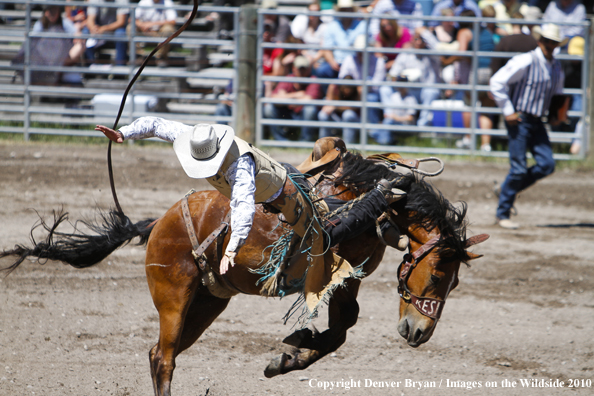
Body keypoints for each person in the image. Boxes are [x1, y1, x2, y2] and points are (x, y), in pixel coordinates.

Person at [95, 118, 407, 312]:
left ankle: (378, 199)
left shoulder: (238, 167)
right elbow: (156, 124)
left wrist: (232, 249)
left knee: (322, 238)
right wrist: (124, 133)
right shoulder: (192, 136)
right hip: (266, 188)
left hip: (283, 194)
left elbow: (243, 209)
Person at [490, 24, 566, 229]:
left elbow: (558, 94)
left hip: (537, 120)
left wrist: (556, 114)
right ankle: (502, 213)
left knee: (546, 164)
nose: (550, 45)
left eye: (554, 42)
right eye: (547, 41)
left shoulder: (556, 66)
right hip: (521, 119)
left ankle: (506, 190)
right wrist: (508, 110)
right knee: (518, 169)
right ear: (540, 40)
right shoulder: (525, 60)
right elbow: (497, 82)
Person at [381, 28, 442, 127]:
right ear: (412, 39)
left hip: (423, 90)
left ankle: (422, 126)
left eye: (422, 40)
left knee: (431, 92)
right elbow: (392, 75)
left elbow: (438, 48)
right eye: (416, 39)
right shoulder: (405, 54)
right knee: (385, 89)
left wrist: (424, 32)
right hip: (406, 90)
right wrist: (402, 77)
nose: (418, 42)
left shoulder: (432, 55)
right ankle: (389, 119)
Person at [13, 5, 85, 85]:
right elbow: (33, 43)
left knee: (80, 45)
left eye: (54, 11)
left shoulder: (65, 23)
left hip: (61, 57)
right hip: (45, 58)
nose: (52, 14)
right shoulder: (40, 24)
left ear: (58, 12)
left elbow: (77, 34)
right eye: (50, 11)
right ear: (45, 13)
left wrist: (78, 36)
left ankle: (55, 72)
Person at [336, 35, 386, 142]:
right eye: (359, 52)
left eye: (363, 52)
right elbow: (342, 80)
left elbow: (377, 85)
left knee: (371, 98)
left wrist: (359, 87)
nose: (361, 55)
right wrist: (357, 88)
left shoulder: (379, 61)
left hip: (370, 95)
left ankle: (373, 132)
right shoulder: (350, 60)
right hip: (352, 95)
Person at [263, 56, 322, 141]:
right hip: (287, 113)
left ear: (308, 69)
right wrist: (296, 95)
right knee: (268, 108)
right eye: (299, 68)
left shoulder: (313, 80)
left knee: (310, 110)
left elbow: (309, 100)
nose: (301, 71)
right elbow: (274, 98)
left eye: (304, 69)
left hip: (302, 114)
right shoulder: (289, 78)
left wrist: (285, 97)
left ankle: (304, 142)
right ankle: (281, 141)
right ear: (294, 68)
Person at [313, 0, 366, 79]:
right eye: (343, 10)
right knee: (321, 71)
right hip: (337, 63)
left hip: (357, 64)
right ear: (340, 11)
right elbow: (327, 49)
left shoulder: (362, 25)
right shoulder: (332, 26)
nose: (346, 12)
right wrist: (332, 62)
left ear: (352, 10)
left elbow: (368, 48)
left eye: (348, 9)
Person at [84, 0, 130, 66]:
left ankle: (120, 69)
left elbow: (121, 22)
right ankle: (90, 68)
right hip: (98, 31)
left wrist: (104, 28)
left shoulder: (122, 1)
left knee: (121, 34)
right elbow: (90, 20)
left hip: (115, 30)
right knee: (85, 32)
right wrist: (93, 28)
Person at [317, 75, 361, 143]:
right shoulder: (334, 87)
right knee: (323, 114)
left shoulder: (358, 90)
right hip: (335, 118)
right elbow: (327, 105)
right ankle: (324, 144)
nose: (347, 90)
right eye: (345, 87)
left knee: (348, 114)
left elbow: (354, 107)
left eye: (349, 87)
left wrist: (335, 106)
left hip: (353, 120)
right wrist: (329, 107)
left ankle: (348, 145)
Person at [134, 0, 177, 67]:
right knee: (131, 27)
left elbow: (172, 21)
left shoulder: (168, 2)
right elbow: (133, 18)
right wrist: (142, 25)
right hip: (145, 31)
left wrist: (152, 24)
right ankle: (138, 56)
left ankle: (161, 57)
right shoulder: (143, 2)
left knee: (168, 29)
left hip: (160, 31)